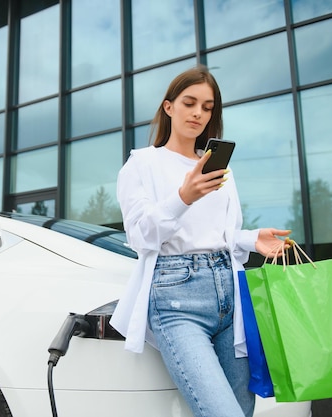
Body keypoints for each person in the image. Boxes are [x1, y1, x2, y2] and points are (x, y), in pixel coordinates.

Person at [109, 66, 290, 417]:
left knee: (241, 408)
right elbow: (139, 236)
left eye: (207, 107)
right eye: (189, 103)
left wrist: (253, 239)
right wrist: (183, 196)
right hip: (176, 297)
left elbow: (217, 237)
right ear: (168, 107)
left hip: (229, 292)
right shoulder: (143, 163)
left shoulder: (221, 170)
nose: (198, 114)